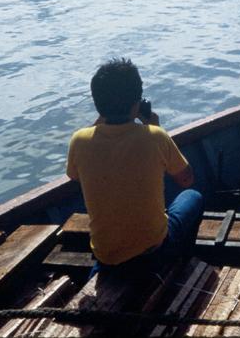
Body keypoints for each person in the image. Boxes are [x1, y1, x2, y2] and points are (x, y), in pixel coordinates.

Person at [66, 58, 203, 279]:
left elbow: (73, 175)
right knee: (192, 197)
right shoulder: (155, 136)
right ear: (137, 102)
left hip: (106, 257)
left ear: (97, 103)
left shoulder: (79, 141)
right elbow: (187, 180)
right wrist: (155, 127)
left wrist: (103, 117)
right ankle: (180, 262)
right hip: (153, 252)